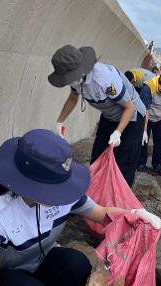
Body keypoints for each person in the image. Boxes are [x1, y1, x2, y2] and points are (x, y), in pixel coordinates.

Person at [0, 129, 161, 286]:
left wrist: (133, 216)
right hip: (9, 273)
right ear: (30, 185)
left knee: (77, 264)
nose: (61, 195)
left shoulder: (64, 193)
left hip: (42, 259)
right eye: (54, 190)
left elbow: (101, 214)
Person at [49, 45, 146, 187]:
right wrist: (59, 122)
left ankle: (118, 202)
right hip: (109, 116)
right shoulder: (76, 80)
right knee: (98, 157)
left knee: (123, 163)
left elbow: (129, 107)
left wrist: (118, 133)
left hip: (132, 118)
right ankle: (96, 195)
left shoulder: (105, 79)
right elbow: (72, 98)